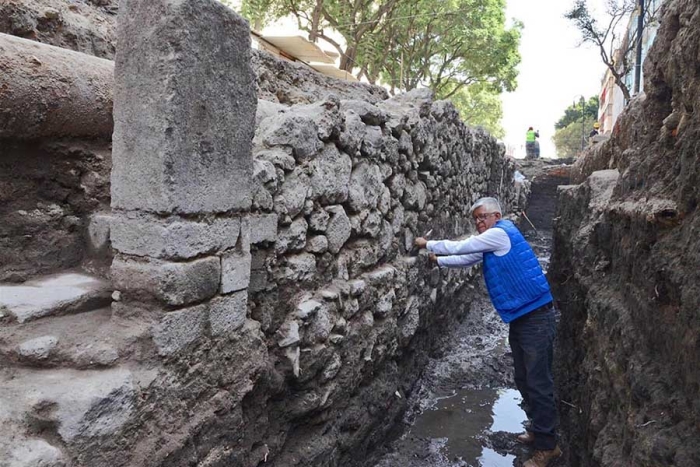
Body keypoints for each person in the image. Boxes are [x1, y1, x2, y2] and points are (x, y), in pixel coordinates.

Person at [414, 197, 561, 467]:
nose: (480, 223)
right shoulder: (493, 240)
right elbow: (469, 257)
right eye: (476, 219)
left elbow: (464, 245)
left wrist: (428, 244)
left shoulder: (500, 233)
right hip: (522, 316)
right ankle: (539, 429)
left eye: (483, 217)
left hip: (536, 318)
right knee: (523, 377)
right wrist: (440, 262)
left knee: (538, 382)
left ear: (496, 215)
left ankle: (548, 447)